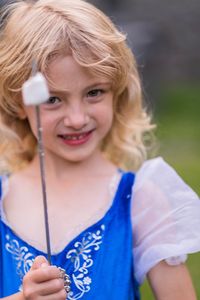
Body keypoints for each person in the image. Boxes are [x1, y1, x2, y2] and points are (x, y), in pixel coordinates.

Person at [0, 0, 200, 299]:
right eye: (53, 99)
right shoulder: (5, 197)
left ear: (115, 91)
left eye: (94, 92)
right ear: (19, 101)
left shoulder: (141, 199)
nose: (78, 119)